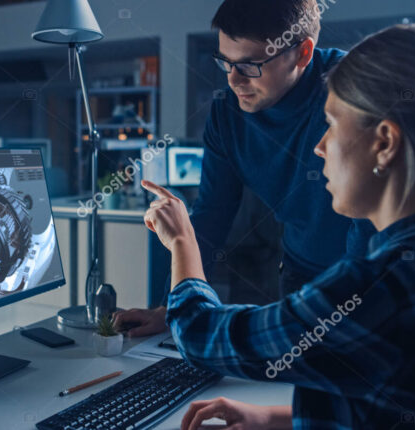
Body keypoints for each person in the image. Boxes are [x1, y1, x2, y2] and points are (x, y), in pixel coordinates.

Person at [142, 22, 415, 429]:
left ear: (384, 143)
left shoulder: (379, 291)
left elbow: (200, 334)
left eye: (332, 123)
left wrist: (181, 242)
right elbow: (395, 398)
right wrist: (276, 418)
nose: (320, 145)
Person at [114, 0, 376, 337]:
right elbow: (212, 213)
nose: (235, 80)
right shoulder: (227, 115)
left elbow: (370, 219)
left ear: (302, 53)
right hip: (299, 272)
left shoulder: (353, 93)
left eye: (250, 65)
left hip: (367, 272)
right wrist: (170, 306)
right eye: (226, 62)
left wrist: (351, 302)